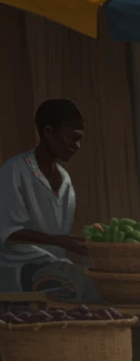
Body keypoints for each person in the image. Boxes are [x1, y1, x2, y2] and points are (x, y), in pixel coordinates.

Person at [0, 99, 89, 296]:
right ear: (48, 132)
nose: (77, 146)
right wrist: (60, 241)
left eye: (79, 139)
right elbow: (8, 233)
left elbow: (56, 235)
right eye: (71, 138)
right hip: (17, 267)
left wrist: (69, 241)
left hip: (54, 266)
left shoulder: (64, 179)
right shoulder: (15, 170)